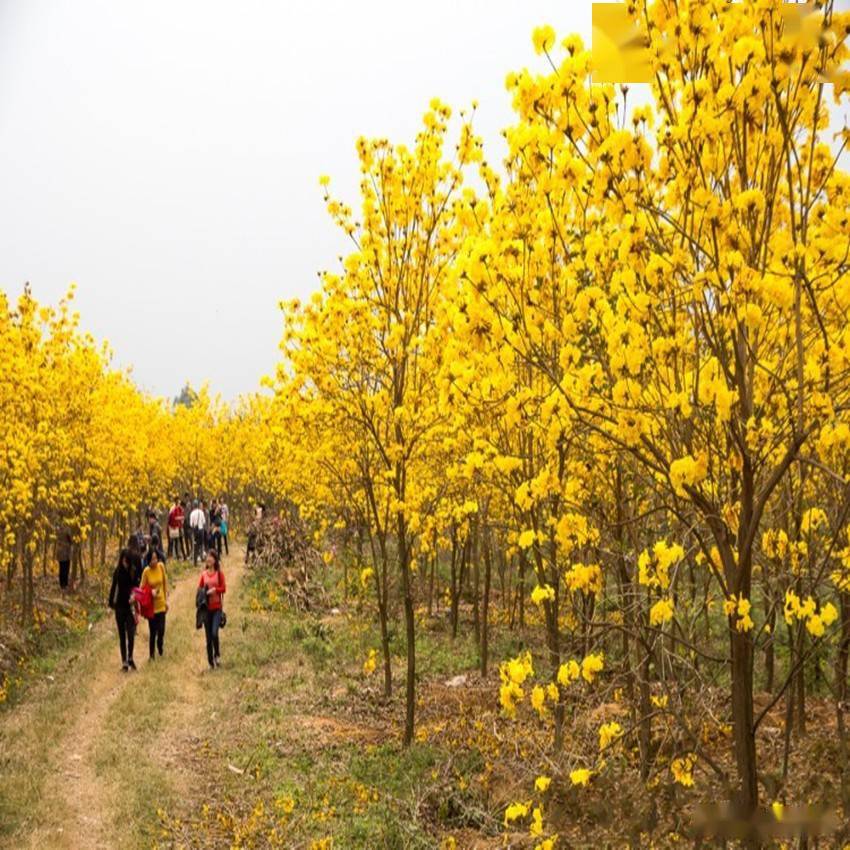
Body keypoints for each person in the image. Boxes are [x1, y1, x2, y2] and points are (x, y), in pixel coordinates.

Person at [108, 549, 137, 671]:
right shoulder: (117, 572)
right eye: (123, 560)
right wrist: (111, 603)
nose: (125, 563)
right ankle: (124, 661)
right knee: (121, 635)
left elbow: (136, 587)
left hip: (130, 607)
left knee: (131, 633)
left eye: (127, 561)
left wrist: (134, 596)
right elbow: (113, 588)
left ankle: (130, 656)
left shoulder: (132, 571)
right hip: (120, 607)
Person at [198, 549, 226, 669]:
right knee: (208, 638)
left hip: (217, 608)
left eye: (211, 558)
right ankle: (210, 662)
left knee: (214, 633)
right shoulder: (203, 575)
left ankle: (217, 655)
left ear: (215, 560)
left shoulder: (219, 574)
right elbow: (199, 591)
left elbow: (224, 588)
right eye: (207, 558)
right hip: (206, 610)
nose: (208, 559)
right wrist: (204, 592)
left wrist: (215, 590)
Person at [140, 548, 168, 660]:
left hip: (161, 604)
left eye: (156, 558)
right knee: (153, 631)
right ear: (148, 560)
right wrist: (150, 591)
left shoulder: (161, 566)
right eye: (152, 559)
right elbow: (141, 588)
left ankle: (160, 645)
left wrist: (166, 601)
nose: (154, 561)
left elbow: (165, 583)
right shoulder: (146, 571)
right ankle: (151, 655)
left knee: (161, 630)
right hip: (151, 606)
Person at [55, 523, 73, 590]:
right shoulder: (67, 529)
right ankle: (65, 584)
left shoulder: (57, 527)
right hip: (65, 551)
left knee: (61, 568)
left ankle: (62, 584)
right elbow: (71, 540)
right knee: (65, 568)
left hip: (60, 550)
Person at [189, 500, 206, 565]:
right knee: (202, 544)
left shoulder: (192, 513)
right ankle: (202, 558)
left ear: (193, 505)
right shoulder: (201, 512)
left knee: (195, 545)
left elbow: (191, 524)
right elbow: (204, 522)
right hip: (201, 530)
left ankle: (195, 561)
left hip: (195, 531)